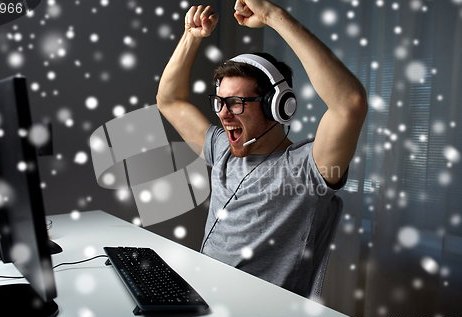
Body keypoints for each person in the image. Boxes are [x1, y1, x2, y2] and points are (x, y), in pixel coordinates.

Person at [156, 0, 367, 297]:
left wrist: (272, 16)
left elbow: (350, 105)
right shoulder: (222, 151)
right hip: (201, 297)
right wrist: (191, 36)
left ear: (278, 107)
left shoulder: (307, 168)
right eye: (220, 102)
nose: (224, 114)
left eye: (236, 103)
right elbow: (170, 101)